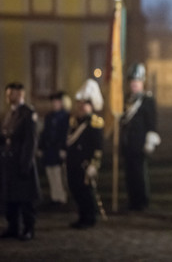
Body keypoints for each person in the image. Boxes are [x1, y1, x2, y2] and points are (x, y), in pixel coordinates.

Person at [0, 82, 40, 241]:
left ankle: (29, 228)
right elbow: (5, 135)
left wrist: (25, 164)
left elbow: (30, 141)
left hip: (22, 162)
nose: (8, 97)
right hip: (9, 163)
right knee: (11, 198)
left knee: (26, 199)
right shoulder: (11, 113)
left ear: (21, 94)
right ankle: (13, 227)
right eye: (8, 94)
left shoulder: (28, 114)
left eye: (12, 94)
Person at [120, 63, 160, 211]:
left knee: (139, 174)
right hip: (127, 143)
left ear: (142, 82)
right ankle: (132, 200)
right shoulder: (126, 100)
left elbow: (151, 122)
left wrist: (150, 141)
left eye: (137, 82)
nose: (134, 85)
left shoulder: (147, 100)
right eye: (132, 82)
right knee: (129, 174)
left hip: (140, 143)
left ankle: (142, 201)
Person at [67, 79, 104, 229]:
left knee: (86, 192)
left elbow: (98, 147)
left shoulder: (95, 123)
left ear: (91, 106)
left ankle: (89, 217)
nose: (82, 106)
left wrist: (94, 165)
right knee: (75, 189)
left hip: (86, 163)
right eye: (80, 103)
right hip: (74, 161)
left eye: (85, 103)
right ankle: (82, 216)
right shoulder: (75, 121)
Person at [38, 91, 70, 206]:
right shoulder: (49, 116)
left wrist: (63, 148)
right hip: (49, 149)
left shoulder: (66, 116)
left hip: (58, 149)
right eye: (53, 102)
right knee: (50, 173)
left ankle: (61, 197)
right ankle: (54, 196)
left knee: (58, 174)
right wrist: (41, 147)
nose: (54, 104)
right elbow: (44, 133)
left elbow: (65, 134)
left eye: (56, 102)